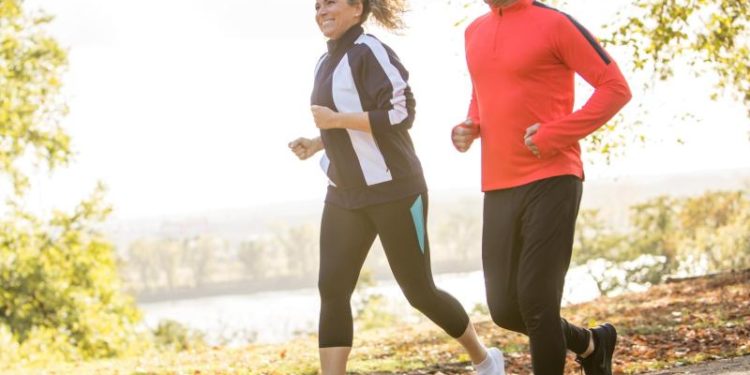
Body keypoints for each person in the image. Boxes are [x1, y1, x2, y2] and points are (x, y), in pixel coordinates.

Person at [288, 1, 505, 374]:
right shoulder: (324, 63)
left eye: (331, 2)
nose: (322, 10)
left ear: (357, 8)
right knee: (333, 289)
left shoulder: (370, 51)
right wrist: (318, 141)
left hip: (395, 190)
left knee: (419, 292)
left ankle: (485, 359)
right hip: (345, 192)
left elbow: (402, 112)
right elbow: (344, 124)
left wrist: (336, 120)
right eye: (317, 5)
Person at [452, 0, 632, 374]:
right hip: (498, 184)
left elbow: (615, 88)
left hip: (553, 177)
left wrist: (556, 133)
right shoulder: (474, 31)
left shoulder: (555, 24)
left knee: (536, 301)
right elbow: (483, 93)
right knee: (503, 308)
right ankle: (591, 344)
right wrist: (472, 124)